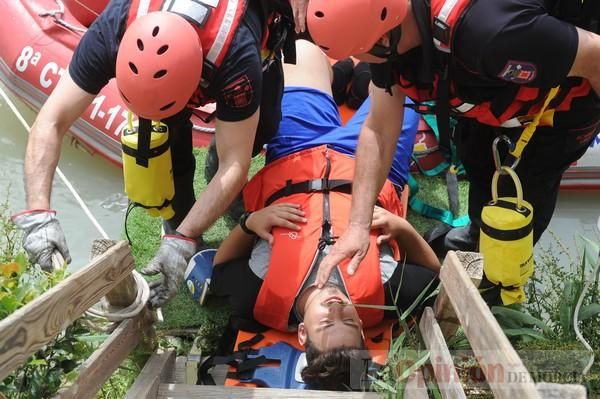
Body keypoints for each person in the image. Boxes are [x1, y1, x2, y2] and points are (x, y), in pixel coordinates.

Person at [11, 0, 294, 309]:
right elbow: (51, 120)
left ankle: (206, 178)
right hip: (171, 77)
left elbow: (236, 164)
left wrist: (182, 242)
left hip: (246, 38)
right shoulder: (114, 27)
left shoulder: (237, 58)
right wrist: (38, 214)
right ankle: (179, 222)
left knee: (261, 130)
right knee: (166, 146)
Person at [300, 0, 600, 288]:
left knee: (518, 204)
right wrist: (357, 225)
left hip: (558, 112)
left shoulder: (492, 33)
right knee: (478, 162)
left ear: (383, 37)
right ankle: (476, 236)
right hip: (491, 94)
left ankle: (499, 285)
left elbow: (595, 55)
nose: (359, 62)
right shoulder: (391, 30)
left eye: (360, 54)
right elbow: (378, 129)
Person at [201, 40, 440, 389]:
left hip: (295, 153)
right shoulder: (383, 292)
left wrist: (250, 223)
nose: (337, 308)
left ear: (302, 331)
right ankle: (359, 81)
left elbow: (221, 267)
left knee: (302, 50)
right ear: (362, 325)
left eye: (327, 322)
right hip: (370, 166)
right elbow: (435, 275)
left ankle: (344, 77)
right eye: (349, 319)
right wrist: (401, 228)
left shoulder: (260, 296)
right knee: (401, 84)